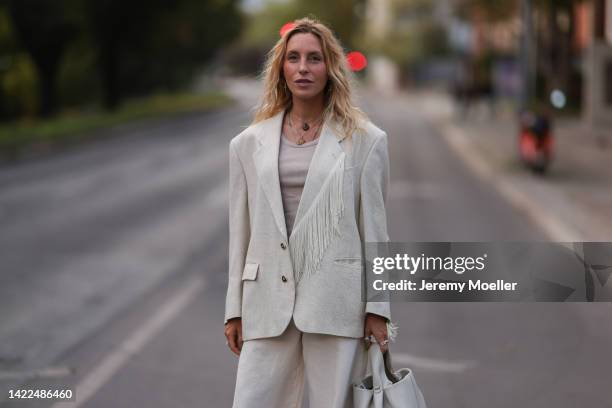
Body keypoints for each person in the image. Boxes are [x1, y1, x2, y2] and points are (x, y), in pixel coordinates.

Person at [224, 17, 392, 408]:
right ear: (281, 69)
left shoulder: (366, 141)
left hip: (336, 300)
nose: (303, 67)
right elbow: (240, 234)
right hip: (265, 301)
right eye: (294, 58)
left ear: (330, 68)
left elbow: (377, 234)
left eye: (314, 58)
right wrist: (234, 309)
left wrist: (378, 308)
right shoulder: (247, 145)